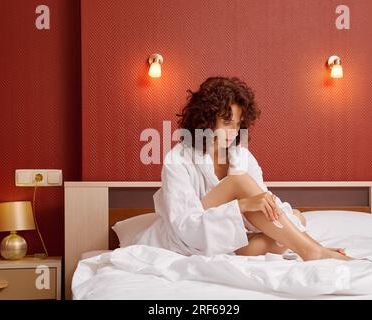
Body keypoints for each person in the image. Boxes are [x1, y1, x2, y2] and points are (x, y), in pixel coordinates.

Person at [135, 76, 351, 261]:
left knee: (283, 232)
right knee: (240, 182)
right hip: (190, 235)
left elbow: (266, 205)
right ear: (206, 121)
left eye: (237, 124)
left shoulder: (242, 156)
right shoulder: (177, 159)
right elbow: (184, 224)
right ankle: (312, 251)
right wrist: (242, 205)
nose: (233, 131)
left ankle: (314, 249)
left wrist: (295, 226)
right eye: (227, 122)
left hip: (231, 238)